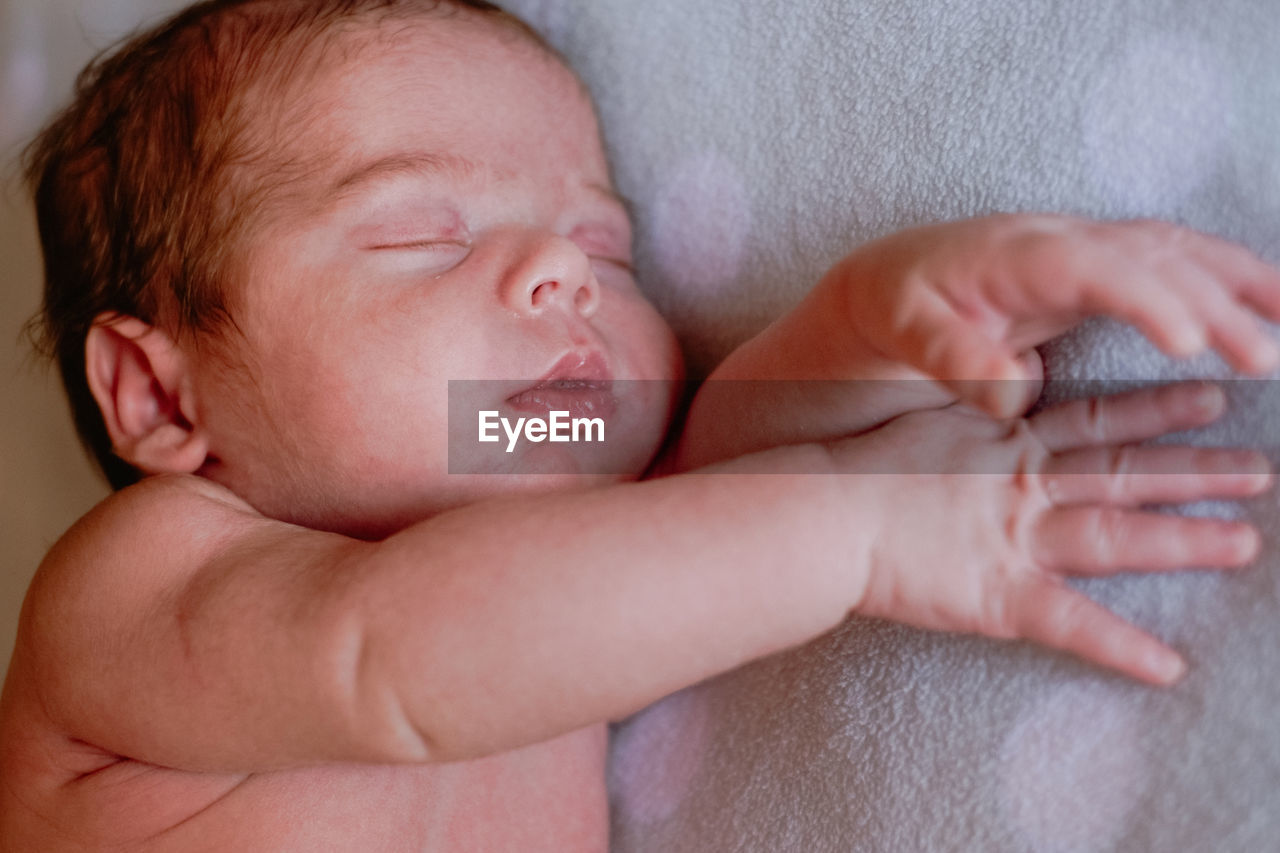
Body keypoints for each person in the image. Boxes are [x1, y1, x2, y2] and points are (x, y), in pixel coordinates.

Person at [3, 1, 1278, 848]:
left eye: (604, 248)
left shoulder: (536, 499)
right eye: (423, 234)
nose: (559, 274)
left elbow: (690, 510)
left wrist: (881, 324)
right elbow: (392, 652)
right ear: (164, 397)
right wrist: (864, 530)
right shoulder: (136, 589)